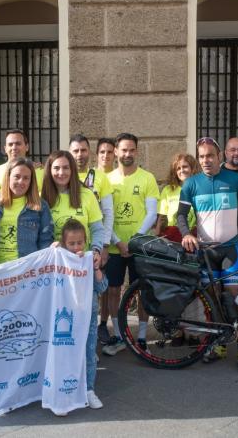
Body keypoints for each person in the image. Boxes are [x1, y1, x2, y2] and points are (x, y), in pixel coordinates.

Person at [179, 138, 238, 374]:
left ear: (219, 156)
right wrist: (186, 234)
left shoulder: (234, 179)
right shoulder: (191, 183)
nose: (206, 160)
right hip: (206, 252)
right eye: (201, 156)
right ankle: (219, 344)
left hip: (231, 250)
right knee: (212, 301)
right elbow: (181, 215)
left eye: (210, 155)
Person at [102, 133, 159, 356]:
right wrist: (117, 241)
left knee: (142, 290)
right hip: (114, 246)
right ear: (116, 151)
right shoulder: (106, 179)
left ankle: (142, 338)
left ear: (137, 151)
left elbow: (152, 213)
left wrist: (134, 240)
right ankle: (118, 335)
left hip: (140, 246)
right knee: (113, 290)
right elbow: (104, 215)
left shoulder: (147, 178)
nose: (128, 154)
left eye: (132, 150)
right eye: (124, 150)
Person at [68, 134, 115, 342]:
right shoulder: (63, 174)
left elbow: (108, 213)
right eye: (75, 151)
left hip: (90, 249)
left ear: (89, 152)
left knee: (92, 296)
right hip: (66, 251)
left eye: (83, 150)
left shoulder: (100, 177)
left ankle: (91, 342)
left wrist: (104, 245)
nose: (80, 154)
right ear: (70, 153)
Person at [57, 219, 106, 412]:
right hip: (66, 321)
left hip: (89, 319)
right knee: (65, 355)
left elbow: (103, 287)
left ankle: (89, 390)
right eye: (71, 243)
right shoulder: (58, 262)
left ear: (86, 242)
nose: (76, 247)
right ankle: (63, 394)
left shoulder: (89, 261)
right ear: (64, 244)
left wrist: (96, 268)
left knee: (89, 354)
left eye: (80, 242)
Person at [42, 150, 108, 253]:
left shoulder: (87, 195)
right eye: (56, 168)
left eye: (66, 168)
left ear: (72, 170)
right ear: (49, 170)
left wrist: (96, 250)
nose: (61, 172)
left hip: (82, 259)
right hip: (53, 260)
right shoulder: (41, 198)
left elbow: (97, 229)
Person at [0, 158, 53, 265]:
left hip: (25, 269)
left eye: (26, 178)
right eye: (17, 176)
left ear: (31, 181)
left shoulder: (40, 206)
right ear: (8, 177)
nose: (21, 182)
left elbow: (45, 242)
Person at [155, 153, 199, 242]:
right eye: (178, 168)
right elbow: (161, 217)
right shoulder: (168, 190)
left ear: (192, 168)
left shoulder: (199, 188)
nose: (181, 170)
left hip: (194, 235)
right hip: (173, 235)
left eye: (185, 167)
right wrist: (156, 235)